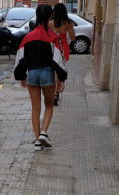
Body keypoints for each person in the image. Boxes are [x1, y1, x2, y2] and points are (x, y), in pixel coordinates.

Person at [14, 4, 67, 151]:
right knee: (49, 105)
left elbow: (20, 59)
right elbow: (58, 60)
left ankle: (37, 141)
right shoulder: (53, 37)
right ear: (50, 16)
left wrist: (21, 76)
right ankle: (44, 132)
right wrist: (61, 79)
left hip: (32, 74)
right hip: (47, 74)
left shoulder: (27, 37)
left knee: (35, 109)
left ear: (37, 16)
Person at [49, 3, 75, 103]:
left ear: (54, 11)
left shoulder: (50, 24)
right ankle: (56, 94)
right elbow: (73, 38)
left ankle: (53, 93)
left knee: (53, 71)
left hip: (52, 47)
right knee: (59, 71)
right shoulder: (68, 23)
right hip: (63, 48)